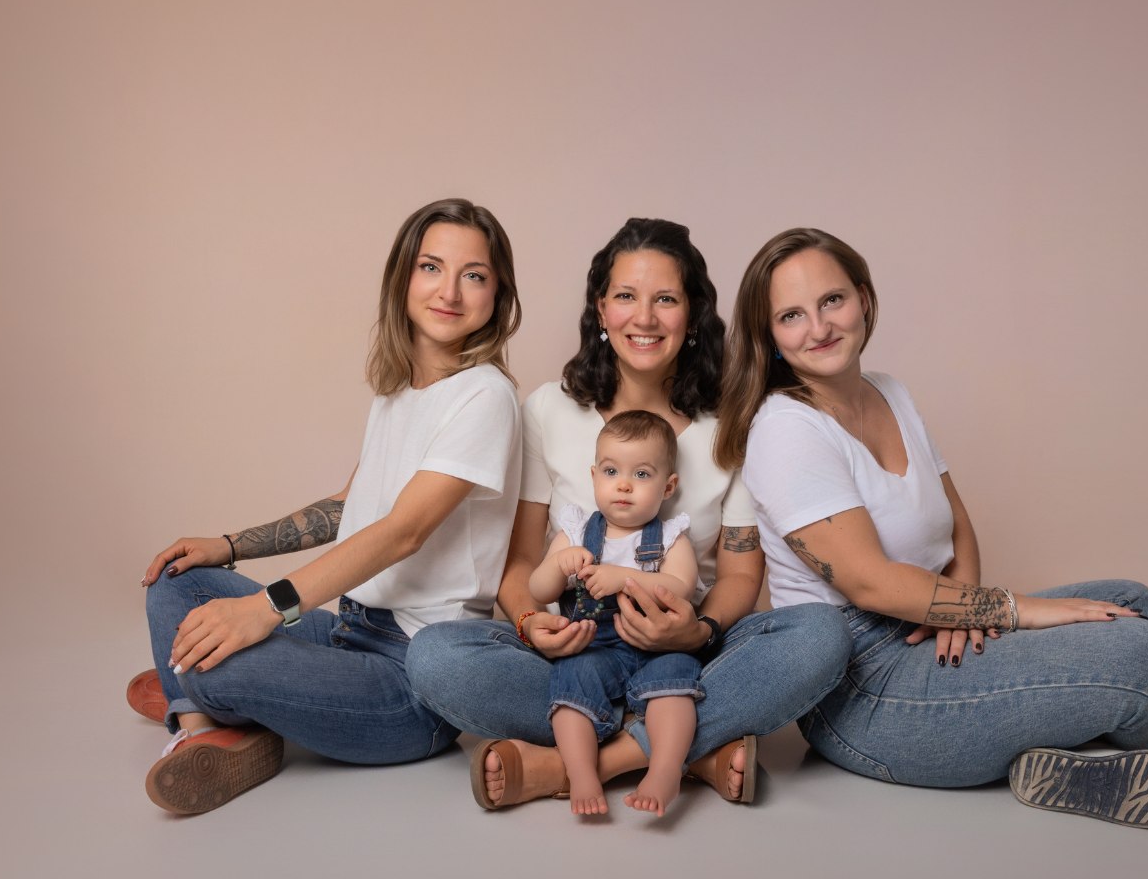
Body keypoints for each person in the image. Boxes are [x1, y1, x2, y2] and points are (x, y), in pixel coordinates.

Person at [713, 227, 1148, 828]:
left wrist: (963, 612)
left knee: (1132, 602)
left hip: (926, 626)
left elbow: (955, 522)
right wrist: (1007, 609)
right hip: (866, 688)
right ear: (772, 339)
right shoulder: (786, 430)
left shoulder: (887, 391)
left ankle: (1071, 763)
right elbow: (870, 585)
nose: (819, 327)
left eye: (832, 300)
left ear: (864, 298)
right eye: (792, 315)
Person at [405, 217, 851, 811]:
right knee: (436, 656)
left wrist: (699, 630)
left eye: (665, 299)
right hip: (574, 652)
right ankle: (691, 751)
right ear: (600, 308)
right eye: (625, 297)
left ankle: (575, 766)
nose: (643, 318)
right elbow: (519, 565)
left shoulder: (734, 422)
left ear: (692, 315)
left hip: (691, 654)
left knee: (820, 634)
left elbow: (743, 576)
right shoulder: (548, 410)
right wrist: (531, 624)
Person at [126, 198, 524, 814]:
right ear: (403, 279)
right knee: (175, 583)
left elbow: (402, 532)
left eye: (474, 275)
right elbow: (350, 505)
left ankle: (201, 704)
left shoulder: (486, 397)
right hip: (345, 631)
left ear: (496, 295)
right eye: (430, 267)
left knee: (213, 664)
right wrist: (230, 547)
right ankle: (211, 727)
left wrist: (263, 608)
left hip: (409, 681)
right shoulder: (397, 393)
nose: (450, 290)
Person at [528, 410, 701, 817]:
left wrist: (625, 578)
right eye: (611, 471)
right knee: (570, 684)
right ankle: (582, 772)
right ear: (593, 477)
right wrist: (558, 565)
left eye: (642, 475)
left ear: (668, 485)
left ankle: (664, 769)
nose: (623, 484)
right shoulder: (575, 531)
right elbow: (537, 590)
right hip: (594, 646)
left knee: (674, 686)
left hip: (659, 647)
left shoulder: (670, 537)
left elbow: (682, 589)